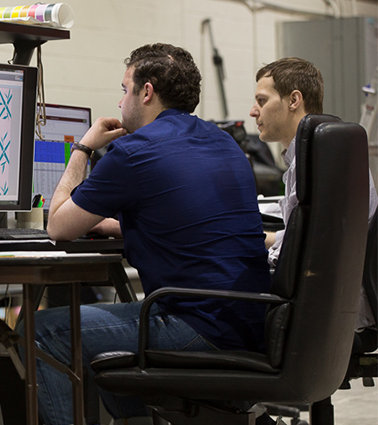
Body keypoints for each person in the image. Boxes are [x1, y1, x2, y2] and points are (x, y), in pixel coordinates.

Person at [32, 43, 271, 425]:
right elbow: (181, 221)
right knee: (109, 342)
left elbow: (57, 226)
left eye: (124, 89)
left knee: (41, 330)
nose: (122, 100)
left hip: (197, 325)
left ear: (146, 92)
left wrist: (83, 148)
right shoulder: (223, 142)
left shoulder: (133, 151)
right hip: (252, 322)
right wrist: (99, 221)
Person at [249, 57, 378, 331]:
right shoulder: (326, 149)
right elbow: (310, 234)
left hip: (327, 311)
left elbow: (300, 251)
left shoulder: (314, 160)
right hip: (339, 299)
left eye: (261, 101)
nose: (253, 111)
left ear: (294, 100)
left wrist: (241, 241)